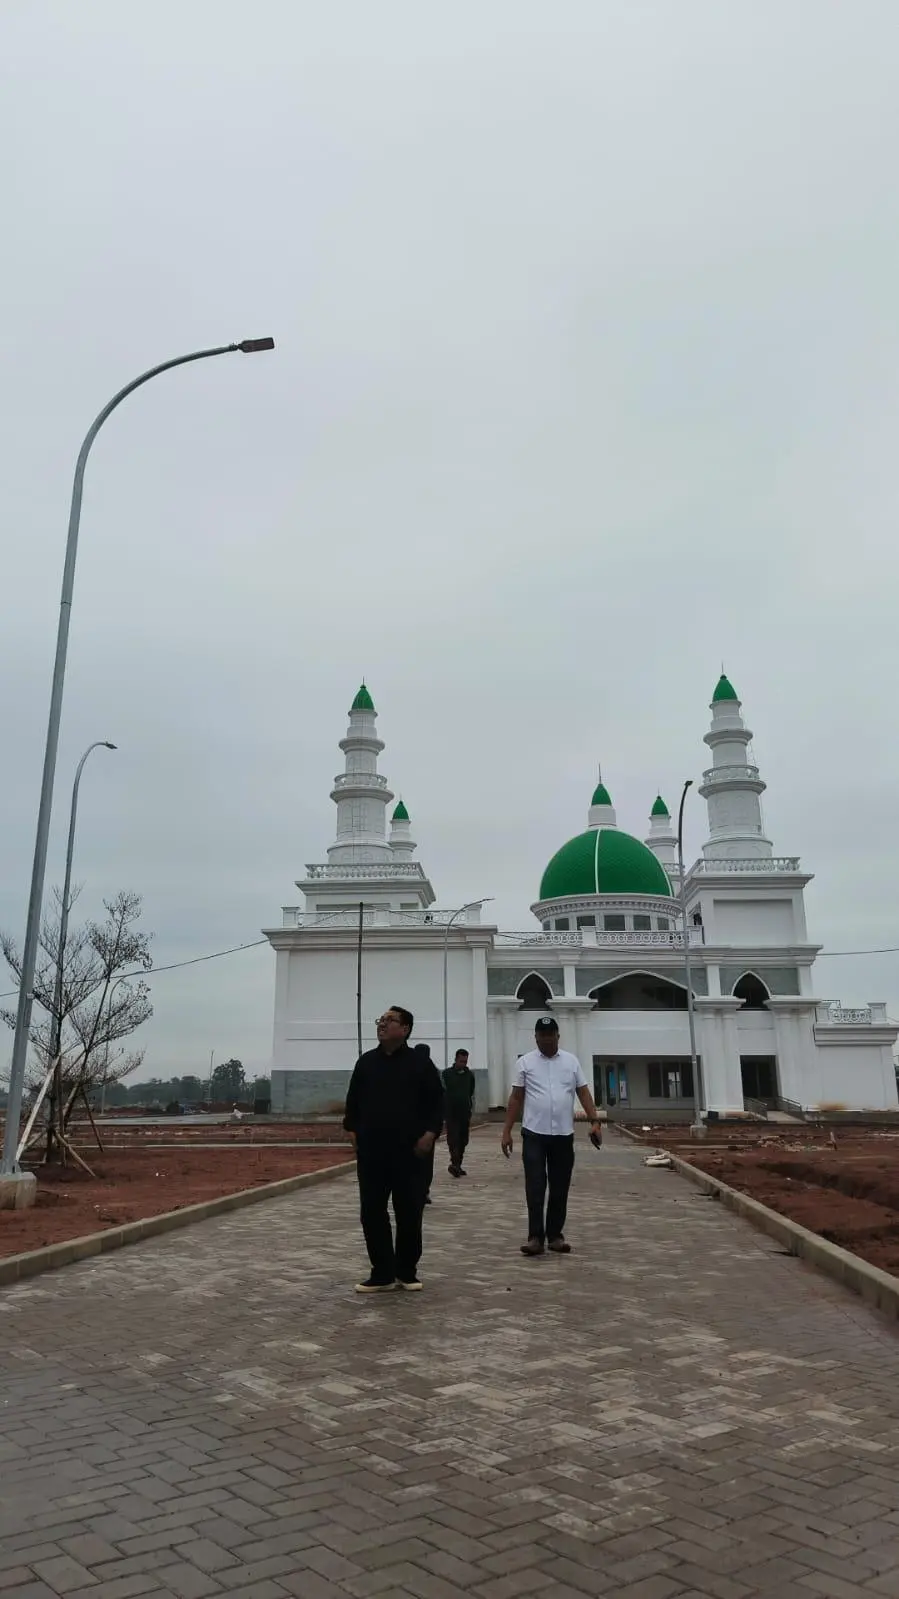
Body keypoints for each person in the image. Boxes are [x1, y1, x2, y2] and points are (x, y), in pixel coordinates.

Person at [343, 1006, 443, 1292]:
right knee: (372, 1211)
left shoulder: (420, 1064)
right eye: (381, 1020)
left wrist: (430, 1134)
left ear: (406, 1029)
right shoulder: (366, 1063)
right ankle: (382, 1272)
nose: (383, 1025)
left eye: (390, 1021)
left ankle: (406, 1271)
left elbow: (437, 1103)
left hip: (410, 1153)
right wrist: (352, 1130)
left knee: (409, 1211)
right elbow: (353, 1102)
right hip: (372, 1153)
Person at [501, 1015, 602, 1256]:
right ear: (535, 1037)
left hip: (563, 1136)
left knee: (559, 1187)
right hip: (534, 1135)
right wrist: (506, 1131)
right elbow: (516, 1097)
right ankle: (535, 1236)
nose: (546, 1040)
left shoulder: (571, 1062)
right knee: (535, 1186)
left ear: (558, 1036)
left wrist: (594, 1121)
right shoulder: (525, 1062)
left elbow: (584, 1093)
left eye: (550, 1035)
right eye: (542, 1036)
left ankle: (555, 1235)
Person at [413, 1043, 439, 1203]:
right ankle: (418, 1191)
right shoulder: (408, 1069)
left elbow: (437, 1101)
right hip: (416, 1127)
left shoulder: (430, 1072)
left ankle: (422, 1191)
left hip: (424, 1128)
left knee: (424, 1161)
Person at [443, 1048, 476, 1177]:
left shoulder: (469, 1075)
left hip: (464, 1112)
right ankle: (455, 1164)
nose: (463, 1064)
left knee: (463, 1140)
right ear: (456, 1059)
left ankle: (458, 1165)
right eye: (461, 1061)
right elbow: (443, 1092)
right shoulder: (447, 1074)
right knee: (453, 1139)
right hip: (451, 1112)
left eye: (465, 1061)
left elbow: (471, 1091)